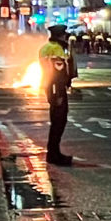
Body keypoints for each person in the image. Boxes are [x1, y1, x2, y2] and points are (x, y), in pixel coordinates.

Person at [37, 26, 76, 165]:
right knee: (59, 121)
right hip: (56, 88)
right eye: (64, 35)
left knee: (56, 120)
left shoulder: (45, 48)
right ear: (60, 36)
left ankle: (54, 152)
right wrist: (60, 92)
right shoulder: (56, 49)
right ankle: (53, 154)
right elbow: (58, 73)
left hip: (50, 86)